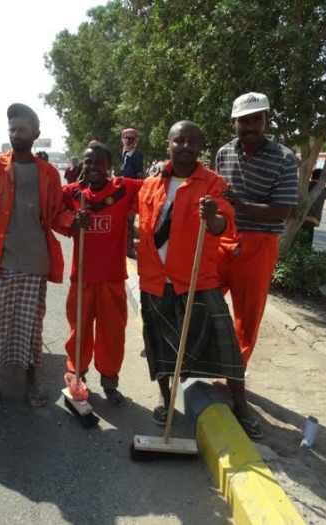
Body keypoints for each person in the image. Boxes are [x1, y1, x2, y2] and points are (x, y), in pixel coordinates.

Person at [137, 120, 261, 438]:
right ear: (169, 143)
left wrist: (212, 218)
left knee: (226, 345)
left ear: (199, 147)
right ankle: (166, 401)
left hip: (198, 279)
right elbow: (145, 229)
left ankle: (242, 407)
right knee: (160, 347)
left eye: (192, 142)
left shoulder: (212, 183)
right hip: (155, 279)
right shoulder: (150, 184)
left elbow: (226, 226)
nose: (186, 147)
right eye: (180, 141)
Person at [0, 103, 74, 410]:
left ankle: (32, 381)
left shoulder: (48, 173)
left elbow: (57, 213)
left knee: (30, 327)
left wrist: (74, 222)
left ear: (35, 133)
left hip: (34, 263)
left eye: (21, 129)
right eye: (11, 129)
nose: (15, 134)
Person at [215, 92, 298, 367]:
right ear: (233, 122)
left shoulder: (285, 159)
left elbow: (282, 211)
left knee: (247, 318)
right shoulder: (224, 153)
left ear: (266, 120)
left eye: (256, 119)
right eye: (244, 120)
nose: (250, 126)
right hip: (222, 239)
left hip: (259, 244)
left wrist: (241, 205)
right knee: (202, 301)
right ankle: (202, 360)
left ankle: (235, 375)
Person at [60, 140, 144, 406]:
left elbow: (155, 190)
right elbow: (53, 212)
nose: (93, 166)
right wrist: (73, 220)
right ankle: (77, 379)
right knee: (79, 333)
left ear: (109, 165)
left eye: (99, 162)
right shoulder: (72, 194)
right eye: (89, 162)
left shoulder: (123, 189)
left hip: (112, 279)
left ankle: (110, 383)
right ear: (83, 165)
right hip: (82, 278)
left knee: (112, 335)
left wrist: (166, 170)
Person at [119, 128, 144, 258]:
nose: (128, 141)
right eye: (126, 138)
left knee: (129, 221)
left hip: (132, 195)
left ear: (136, 141)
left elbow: (140, 176)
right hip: (124, 193)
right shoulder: (125, 154)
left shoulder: (136, 156)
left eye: (131, 139)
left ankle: (129, 248)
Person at [300, 168, 326, 247]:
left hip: (298, 217)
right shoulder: (323, 189)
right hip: (311, 219)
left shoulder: (304, 185)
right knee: (306, 243)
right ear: (322, 178)